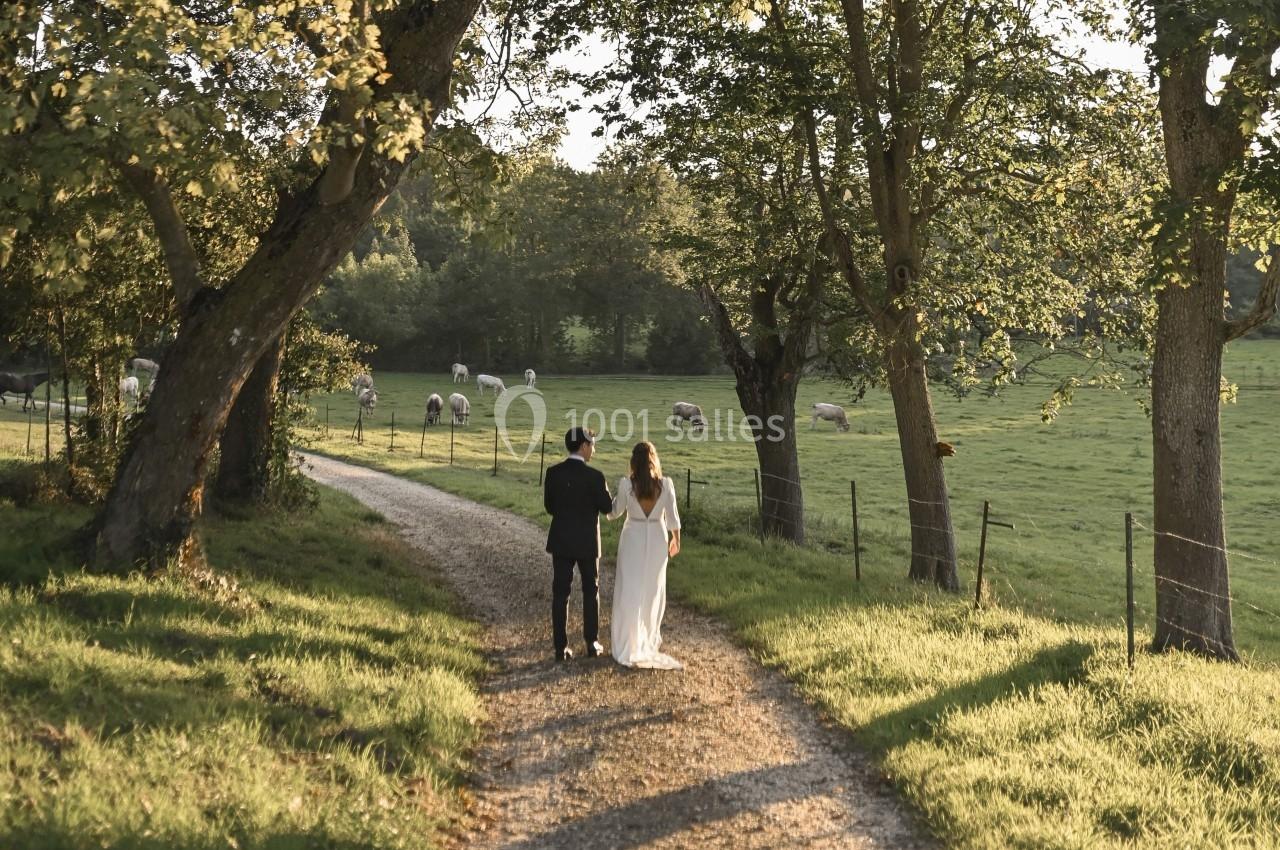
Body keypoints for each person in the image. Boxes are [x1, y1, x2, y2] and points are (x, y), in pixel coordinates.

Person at [607, 441, 683, 670]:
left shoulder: (627, 485)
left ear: (633, 461)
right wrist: (676, 540)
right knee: (652, 591)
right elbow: (672, 518)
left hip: (633, 538)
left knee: (630, 589)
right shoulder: (665, 485)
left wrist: (606, 497)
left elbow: (614, 513)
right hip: (658, 539)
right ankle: (647, 639)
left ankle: (628, 641)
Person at [543, 427, 613, 661]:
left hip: (561, 539)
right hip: (586, 541)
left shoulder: (553, 473)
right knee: (590, 590)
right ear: (583, 446)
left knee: (560, 592)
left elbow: (550, 508)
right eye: (592, 444)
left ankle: (560, 647)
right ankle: (592, 642)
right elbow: (607, 508)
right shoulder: (595, 476)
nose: (593, 449)